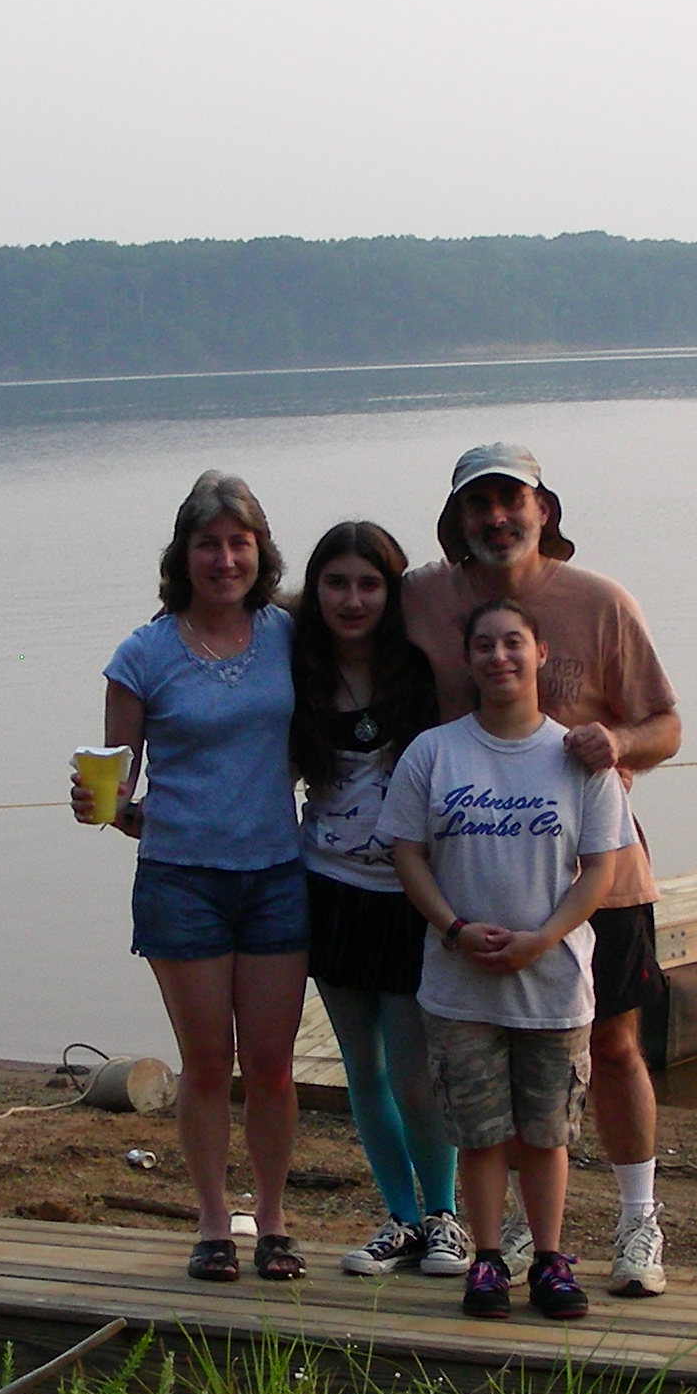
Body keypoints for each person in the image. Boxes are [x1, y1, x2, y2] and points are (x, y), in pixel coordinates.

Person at [400, 442, 682, 1296]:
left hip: (602, 873)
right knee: (508, 1056)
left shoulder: (600, 602)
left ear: (543, 510)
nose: (496, 518)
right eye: (477, 505)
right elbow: (332, 606)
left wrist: (620, 742)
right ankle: (525, 1230)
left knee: (615, 1042)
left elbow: (666, 723)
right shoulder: (423, 596)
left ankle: (638, 1220)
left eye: (510, 500)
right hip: (479, 879)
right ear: (456, 521)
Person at [72, 471, 308, 1285]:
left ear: (260, 551)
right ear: (184, 553)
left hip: (279, 872)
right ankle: (213, 1222)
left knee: (274, 1067)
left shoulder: (288, 635)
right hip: (183, 882)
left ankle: (273, 1221)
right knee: (207, 1064)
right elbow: (119, 789)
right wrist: (98, 806)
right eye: (208, 543)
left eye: (239, 542)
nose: (225, 558)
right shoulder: (142, 655)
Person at [382, 598, 631, 1320]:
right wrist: (455, 928)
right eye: (484, 646)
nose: (499, 658)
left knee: (547, 1133)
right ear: (468, 659)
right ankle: (488, 1260)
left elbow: (598, 870)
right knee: (481, 1131)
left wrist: (544, 937)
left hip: (552, 986)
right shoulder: (434, 752)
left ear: (540, 653)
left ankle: (550, 1259)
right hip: (460, 986)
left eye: (513, 644)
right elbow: (407, 852)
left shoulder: (579, 758)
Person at [288, 520, 466, 1278]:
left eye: (370, 584)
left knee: (415, 1073)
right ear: (315, 590)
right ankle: (399, 1216)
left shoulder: (422, 673)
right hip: (327, 890)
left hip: (409, 895)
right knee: (361, 1067)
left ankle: (446, 1216)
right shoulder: (297, 670)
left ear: (393, 592)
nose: (353, 599)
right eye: (337, 583)